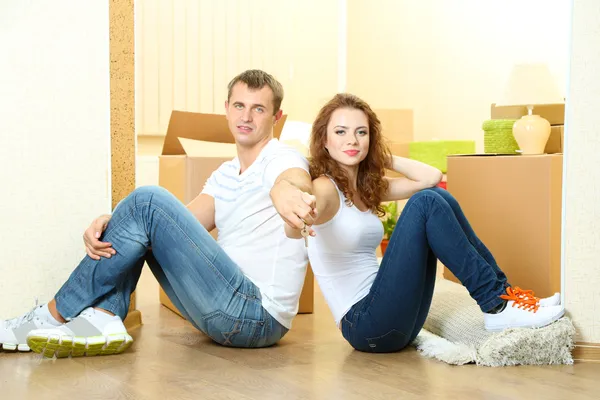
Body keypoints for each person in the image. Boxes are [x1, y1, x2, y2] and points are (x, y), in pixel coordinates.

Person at [0, 69, 317, 357]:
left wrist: (288, 192)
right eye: (239, 106)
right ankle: (104, 316)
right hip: (224, 312)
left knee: (147, 202)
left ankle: (52, 315)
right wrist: (116, 223)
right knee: (141, 215)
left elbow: (293, 179)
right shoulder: (226, 173)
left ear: (277, 117)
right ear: (226, 109)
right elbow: (176, 226)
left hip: (256, 315)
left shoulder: (282, 157)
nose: (246, 116)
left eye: (258, 109)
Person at [285, 93, 564, 353]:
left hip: (396, 317)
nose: (352, 140)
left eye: (361, 132)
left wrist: (380, 156)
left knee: (436, 194)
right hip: (365, 324)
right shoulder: (324, 188)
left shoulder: (367, 188)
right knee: (426, 203)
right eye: (340, 132)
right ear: (324, 140)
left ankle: (504, 298)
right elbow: (299, 220)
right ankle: (496, 307)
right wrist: (301, 215)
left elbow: (429, 177)